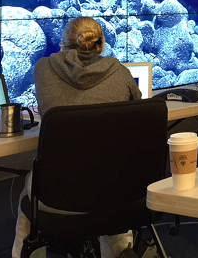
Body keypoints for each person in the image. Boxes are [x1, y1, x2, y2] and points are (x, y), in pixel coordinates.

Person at [12, 17, 141, 258]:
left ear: (62, 44)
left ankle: (25, 251)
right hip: (113, 188)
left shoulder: (43, 69)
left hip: (56, 191)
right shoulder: (121, 72)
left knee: (27, 199)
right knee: (112, 187)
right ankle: (121, 251)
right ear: (101, 46)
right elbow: (136, 107)